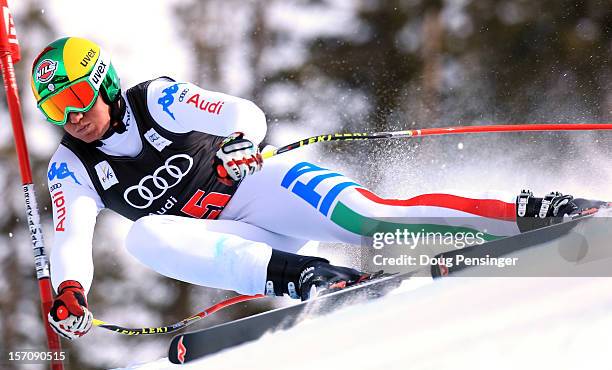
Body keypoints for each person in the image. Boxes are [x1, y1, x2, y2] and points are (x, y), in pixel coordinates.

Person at [31, 37, 602, 340]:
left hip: (265, 187)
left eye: (79, 96)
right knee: (144, 237)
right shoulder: (71, 167)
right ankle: (305, 277)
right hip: (242, 239)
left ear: (103, 82)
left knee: (372, 222)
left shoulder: (154, 99)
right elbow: (71, 238)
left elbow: (242, 112)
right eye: (57, 107)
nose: (73, 115)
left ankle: (529, 212)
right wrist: (70, 292)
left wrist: (238, 139)